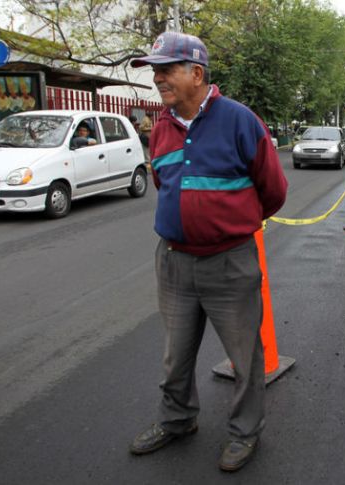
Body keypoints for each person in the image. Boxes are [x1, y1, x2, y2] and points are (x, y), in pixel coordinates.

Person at [128, 32, 287, 472]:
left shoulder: (240, 121)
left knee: (244, 357)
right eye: (153, 70)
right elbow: (165, 185)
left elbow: (272, 191)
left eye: (166, 69)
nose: (157, 78)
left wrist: (226, 227)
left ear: (196, 73)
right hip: (175, 261)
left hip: (230, 263)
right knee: (175, 354)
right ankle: (177, 420)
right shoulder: (161, 127)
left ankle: (244, 433)